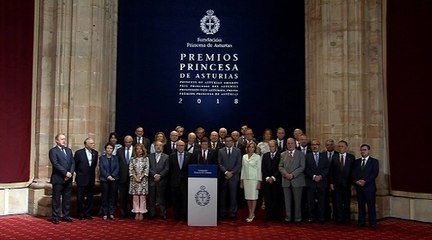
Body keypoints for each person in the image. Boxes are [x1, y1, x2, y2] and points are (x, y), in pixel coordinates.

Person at [49, 133, 75, 224]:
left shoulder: (69, 150)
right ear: (57, 141)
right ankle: (55, 217)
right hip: (58, 178)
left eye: (64, 139)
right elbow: (55, 164)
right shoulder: (53, 151)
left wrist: (70, 173)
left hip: (68, 179)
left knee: (67, 198)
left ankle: (66, 215)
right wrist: (65, 173)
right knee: (56, 199)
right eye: (62, 139)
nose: (64, 141)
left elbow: (72, 162)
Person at [352, 144, 379, 229]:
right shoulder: (356, 162)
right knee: (361, 206)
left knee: (371, 206)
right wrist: (356, 181)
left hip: (369, 188)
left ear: (368, 151)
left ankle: (373, 223)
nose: (363, 151)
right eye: (361, 150)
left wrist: (365, 181)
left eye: (364, 150)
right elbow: (353, 173)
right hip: (359, 187)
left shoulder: (374, 161)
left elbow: (374, 173)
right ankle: (361, 221)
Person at [279, 137, 306, 223]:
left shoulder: (301, 154)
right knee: (287, 201)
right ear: (286, 144)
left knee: (297, 201)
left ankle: (297, 218)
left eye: (292, 143)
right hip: (286, 181)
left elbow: (302, 167)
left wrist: (293, 174)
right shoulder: (283, 154)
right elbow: (280, 166)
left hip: (297, 181)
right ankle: (288, 217)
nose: (290, 145)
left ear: (295, 144)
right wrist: (286, 174)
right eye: (288, 143)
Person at [330, 140, 355, 223]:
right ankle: (338, 218)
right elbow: (331, 171)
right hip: (336, 184)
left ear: (346, 147)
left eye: (342, 146)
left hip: (347, 184)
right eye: (339, 146)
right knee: (337, 202)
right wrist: (331, 183)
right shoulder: (334, 156)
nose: (340, 148)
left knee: (347, 202)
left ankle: (346, 218)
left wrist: (352, 184)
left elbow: (353, 172)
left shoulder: (351, 157)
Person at [305, 139, 329, 223]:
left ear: (319, 146)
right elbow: (306, 168)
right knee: (310, 201)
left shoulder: (324, 156)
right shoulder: (307, 156)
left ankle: (321, 217)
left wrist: (321, 176)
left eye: (316, 144)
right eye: (313, 145)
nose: (314, 146)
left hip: (322, 182)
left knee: (322, 201)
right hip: (311, 182)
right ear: (311, 146)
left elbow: (327, 168)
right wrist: (314, 176)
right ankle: (311, 217)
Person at [74, 137, 98, 220]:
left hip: (91, 178)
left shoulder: (95, 153)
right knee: (80, 197)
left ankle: (87, 213)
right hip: (81, 178)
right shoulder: (79, 153)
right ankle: (80, 213)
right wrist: (80, 173)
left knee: (90, 197)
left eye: (93, 143)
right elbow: (75, 166)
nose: (93, 145)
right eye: (91, 143)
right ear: (86, 144)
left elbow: (94, 166)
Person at [218, 136, 242, 220]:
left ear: (233, 142)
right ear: (224, 142)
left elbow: (239, 164)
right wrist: (226, 172)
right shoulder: (220, 151)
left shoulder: (238, 151)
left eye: (230, 141)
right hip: (224, 176)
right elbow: (219, 163)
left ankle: (233, 213)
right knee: (223, 196)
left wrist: (232, 173)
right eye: (226, 141)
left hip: (234, 177)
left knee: (233, 195)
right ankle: (223, 213)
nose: (228, 142)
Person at [169, 140, 192, 220]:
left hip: (186, 181)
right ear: (176, 146)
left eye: (182, 145)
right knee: (175, 200)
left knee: (185, 199)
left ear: (184, 146)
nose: (180, 147)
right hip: (175, 181)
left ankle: (185, 215)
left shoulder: (189, 155)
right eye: (179, 145)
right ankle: (176, 215)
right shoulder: (172, 156)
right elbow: (170, 169)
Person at [240, 141, 262, 222]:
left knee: (253, 198)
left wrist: (259, 181)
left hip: (254, 179)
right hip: (246, 179)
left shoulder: (258, 157)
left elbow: (259, 170)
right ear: (247, 148)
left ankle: (251, 214)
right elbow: (243, 169)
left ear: (255, 148)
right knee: (248, 198)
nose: (251, 148)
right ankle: (250, 212)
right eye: (250, 147)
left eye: (253, 147)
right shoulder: (244, 156)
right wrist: (241, 181)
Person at [148, 141, 170, 220]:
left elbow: (167, 168)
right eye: (157, 145)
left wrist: (160, 175)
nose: (158, 147)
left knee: (162, 198)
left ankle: (163, 213)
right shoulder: (149, 156)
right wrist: (154, 175)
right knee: (152, 198)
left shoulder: (166, 157)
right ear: (154, 147)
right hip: (152, 180)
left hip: (162, 180)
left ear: (162, 147)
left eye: (160, 145)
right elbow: (148, 168)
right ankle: (152, 213)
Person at [261, 140, 282, 221]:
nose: (271, 148)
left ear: (276, 146)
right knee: (268, 198)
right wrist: (267, 177)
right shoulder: (265, 155)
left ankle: (276, 215)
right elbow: (263, 168)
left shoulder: (280, 155)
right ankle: (268, 215)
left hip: (276, 181)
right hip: (266, 181)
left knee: (276, 198)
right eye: (269, 146)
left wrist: (273, 177)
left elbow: (279, 168)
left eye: (272, 146)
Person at [129, 143, 149, 220]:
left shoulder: (146, 159)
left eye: (140, 149)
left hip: (143, 180)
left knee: (143, 197)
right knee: (135, 197)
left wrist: (140, 177)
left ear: (143, 150)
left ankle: (142, 212)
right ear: (135, 150)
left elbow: (146, 169)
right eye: (137, 149)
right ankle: (136, 212)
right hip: (134, 180)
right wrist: (135, 177)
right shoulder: (132, 159)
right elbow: (131, 169)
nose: (139, 150)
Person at [99, 142, 119, 220]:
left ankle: (111, 212)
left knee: (112, 196)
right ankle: (105, 212)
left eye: (111, 148)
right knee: (105, 196)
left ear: (113, 150)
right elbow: (101, 168)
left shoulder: (116, 158)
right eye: (108, 148)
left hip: (114, 180)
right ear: (105, 149)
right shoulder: (102, 158)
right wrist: (108, 176)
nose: (109, 150)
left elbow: (117, 168)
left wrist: (112, 176)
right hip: (104, 180)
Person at [117, 135, 134, 218]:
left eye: (129, 142)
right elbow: (117, 164)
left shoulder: (135, 150)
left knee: (131, 197)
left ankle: (131, 212)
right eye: (126, 142)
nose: (128, 144)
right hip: (122, 177)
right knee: (122, 197)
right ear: (124, 142)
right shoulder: (119, 151)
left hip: (133, 178)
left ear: (132, 142)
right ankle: (123, 212)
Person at [323, 139, 338, 220]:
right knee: (324, 199)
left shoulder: (338, 154)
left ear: (333, 145)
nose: (329, 146)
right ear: (325, 146)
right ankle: (326, 216)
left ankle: (335, 216)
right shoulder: (322, 154)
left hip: (335, 181)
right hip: (324, 180)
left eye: (331, 144)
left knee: (335, 199)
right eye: (328, 145)